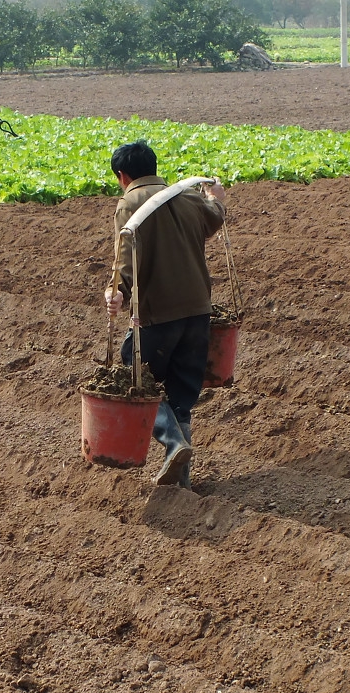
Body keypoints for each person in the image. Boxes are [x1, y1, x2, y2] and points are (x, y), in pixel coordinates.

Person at [104, 140, 226, 489]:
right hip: (199, 312)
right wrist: (215, 195)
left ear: (122, 175)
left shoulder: (130, 203)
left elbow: (126, 259)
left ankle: (174, 443)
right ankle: (179, 483)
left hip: (159, 315)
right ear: (154, 169)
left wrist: (117, 292)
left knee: (133, 380)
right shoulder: (188, 197)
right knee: (180, 396)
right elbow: (215, 217)